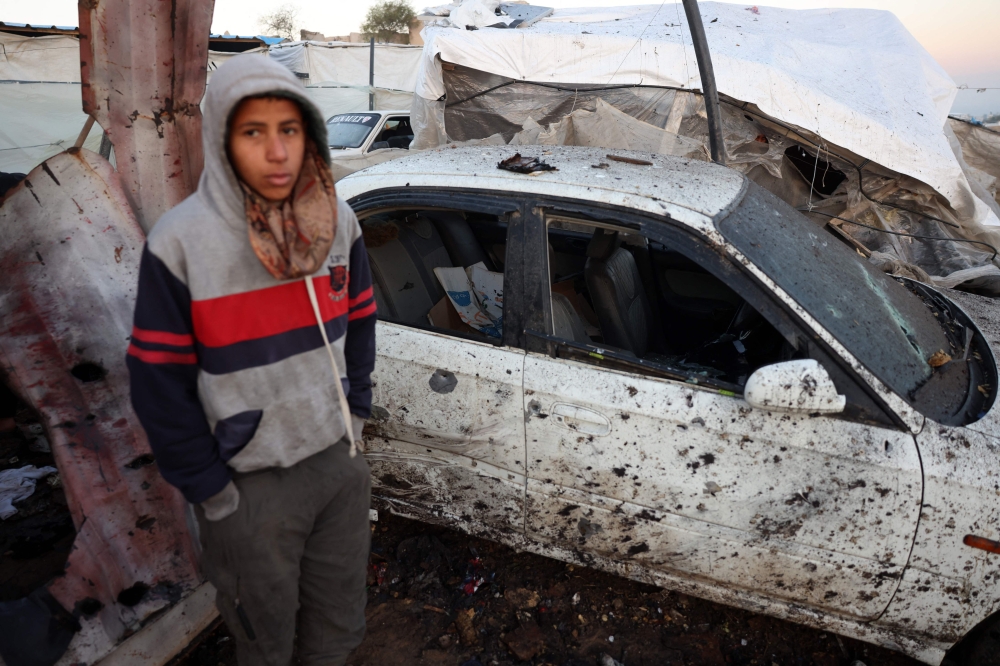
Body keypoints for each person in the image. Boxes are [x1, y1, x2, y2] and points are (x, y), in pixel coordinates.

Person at [126, 55, 377, 665]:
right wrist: (213, 493)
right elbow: (158, 384)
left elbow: (363, 321)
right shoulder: (182, 243)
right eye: (252, 131)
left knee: (338, 631)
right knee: (266, 641)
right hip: (249, 488)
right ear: (220, 137)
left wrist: (357, 417)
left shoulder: (336, 223)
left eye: (289, 130)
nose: (276, 151)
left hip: (336, 469)